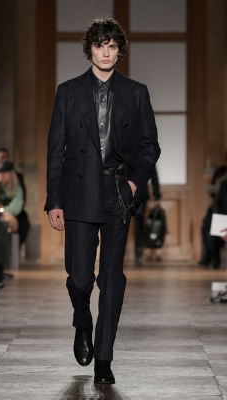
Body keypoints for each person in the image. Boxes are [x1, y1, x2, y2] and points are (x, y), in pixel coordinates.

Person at [44, 18, 160, 384]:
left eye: (112, 46)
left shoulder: (136, 92)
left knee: (111, 278)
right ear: (90, 50)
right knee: (80, 278)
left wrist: (133, 185)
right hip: (79, 193)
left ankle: (104, 359)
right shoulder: (68, 91)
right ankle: (82, 321)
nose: (106, 53)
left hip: (117, 193)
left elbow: (150, 147)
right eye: (100, 46)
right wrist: (53, 199)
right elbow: (56, 149)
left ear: (119, 51)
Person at [133, 170, 161, 265]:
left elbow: (153, 174)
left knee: (139, 225)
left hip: (139, 194)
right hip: (129, 192)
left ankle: (139, 254)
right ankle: (138, 254)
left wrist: (157, 195)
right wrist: (157, 195)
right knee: (136, 224)